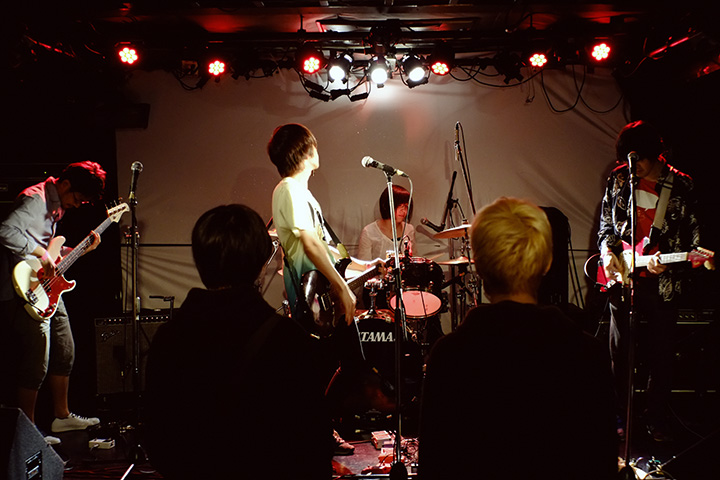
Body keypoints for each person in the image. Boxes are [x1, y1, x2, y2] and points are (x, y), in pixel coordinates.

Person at [419, 197, 617, 480]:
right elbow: (601, 464)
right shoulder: (588, 354)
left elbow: (435, 466)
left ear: (479, 266)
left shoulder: (449, 356)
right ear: (547, 263)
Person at [144, 204, 331, 479]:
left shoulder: (168, 338)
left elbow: (158, 443)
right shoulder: (287, 340)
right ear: (261, 264)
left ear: (200, 261)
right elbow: (312, 449)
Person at [598, 120, 701, 442]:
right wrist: (608, 254)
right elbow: (606, 227)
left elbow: (694, 241)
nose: (635, 166)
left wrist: (669, 266)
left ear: (656, 153)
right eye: (629, 159)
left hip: (663, 285)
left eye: (639, 158)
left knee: (662, 354)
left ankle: (655, 417)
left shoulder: (682, 185)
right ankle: (620, 417)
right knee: (620, 354)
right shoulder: (619, 179)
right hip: (623, 280)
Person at [0, 161, 105, 445]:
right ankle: (29, 431)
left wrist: (80, 250)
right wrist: (41, 254)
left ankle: (62, 416)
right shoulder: (35, 199)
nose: (78, 205)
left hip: (48, 287)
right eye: (78, 198)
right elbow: (6, 231)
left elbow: (52, 254)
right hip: (26, 289)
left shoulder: (55, 205)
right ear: (66, 184)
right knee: (36, 362)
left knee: (65, 348)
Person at [357, 185, 415, 261]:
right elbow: (364, 263)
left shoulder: (409, 229)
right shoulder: (369, 232)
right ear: (387, 205)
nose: (403, 210)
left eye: (406, 206)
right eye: (399, 205)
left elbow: (413, 259)